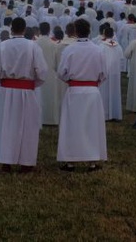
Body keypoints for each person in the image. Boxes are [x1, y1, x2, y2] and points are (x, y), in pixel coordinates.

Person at [0, 17, 48, 173]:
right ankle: (26, 162)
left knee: (6, 124)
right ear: (25, 29)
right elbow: (42, 72)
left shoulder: (2, 46)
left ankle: (5, 162)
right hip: (27, 91)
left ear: (11, 29)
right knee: (27, 125)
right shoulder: (33, 47)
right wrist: (32, 83)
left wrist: (3, 81)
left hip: (7, 90)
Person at [56, 18, 107, 171]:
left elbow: (61, 72)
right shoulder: (97, 50)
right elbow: (104, 73)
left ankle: (70, 161)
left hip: (74, 91)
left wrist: (72, 80)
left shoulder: (69, 50)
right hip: (92, 92)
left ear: (76, 32)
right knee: (92, 125)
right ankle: (92, 161)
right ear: (89, 31)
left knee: (72, 125)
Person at [98, 27, 123, 121]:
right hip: (115, 72)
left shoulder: (101, 46)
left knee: (104, 92)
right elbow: (121, 59)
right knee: (114, 92)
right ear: (113, 35)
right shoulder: (118, 46)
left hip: (105, 72)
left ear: (104, 34)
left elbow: (98, 59)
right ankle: (115, 113)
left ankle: (105, 113)